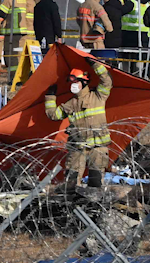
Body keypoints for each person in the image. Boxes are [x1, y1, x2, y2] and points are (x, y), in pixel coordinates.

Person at [46, 61, 114, 190]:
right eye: (71, 82)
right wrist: (50, 97)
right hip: (78, 147)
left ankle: (92, 207)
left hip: (97, 146)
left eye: (76, 82)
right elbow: (54, 115)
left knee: (95, 181)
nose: (73, 85)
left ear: (84, 82)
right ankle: (71, 205)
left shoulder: (98, 96)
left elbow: (107, 81)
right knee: (71, 182)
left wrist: (95, 64)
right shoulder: (71, 103)